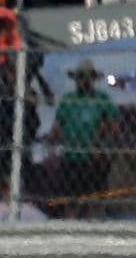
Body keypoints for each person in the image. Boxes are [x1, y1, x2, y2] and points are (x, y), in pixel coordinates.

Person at [47, 59, 120, 206]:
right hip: (71, 157)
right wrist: (51, 147)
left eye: (90, 76)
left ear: (94, 78)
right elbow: (57, 127)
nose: (86, 80)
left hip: (93, 158)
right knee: (70, 203)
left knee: (92, 204)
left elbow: (115, 126)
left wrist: (104, 138)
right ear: (76, 79)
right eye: (81, 76)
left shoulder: (102, 99)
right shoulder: (68, 99)